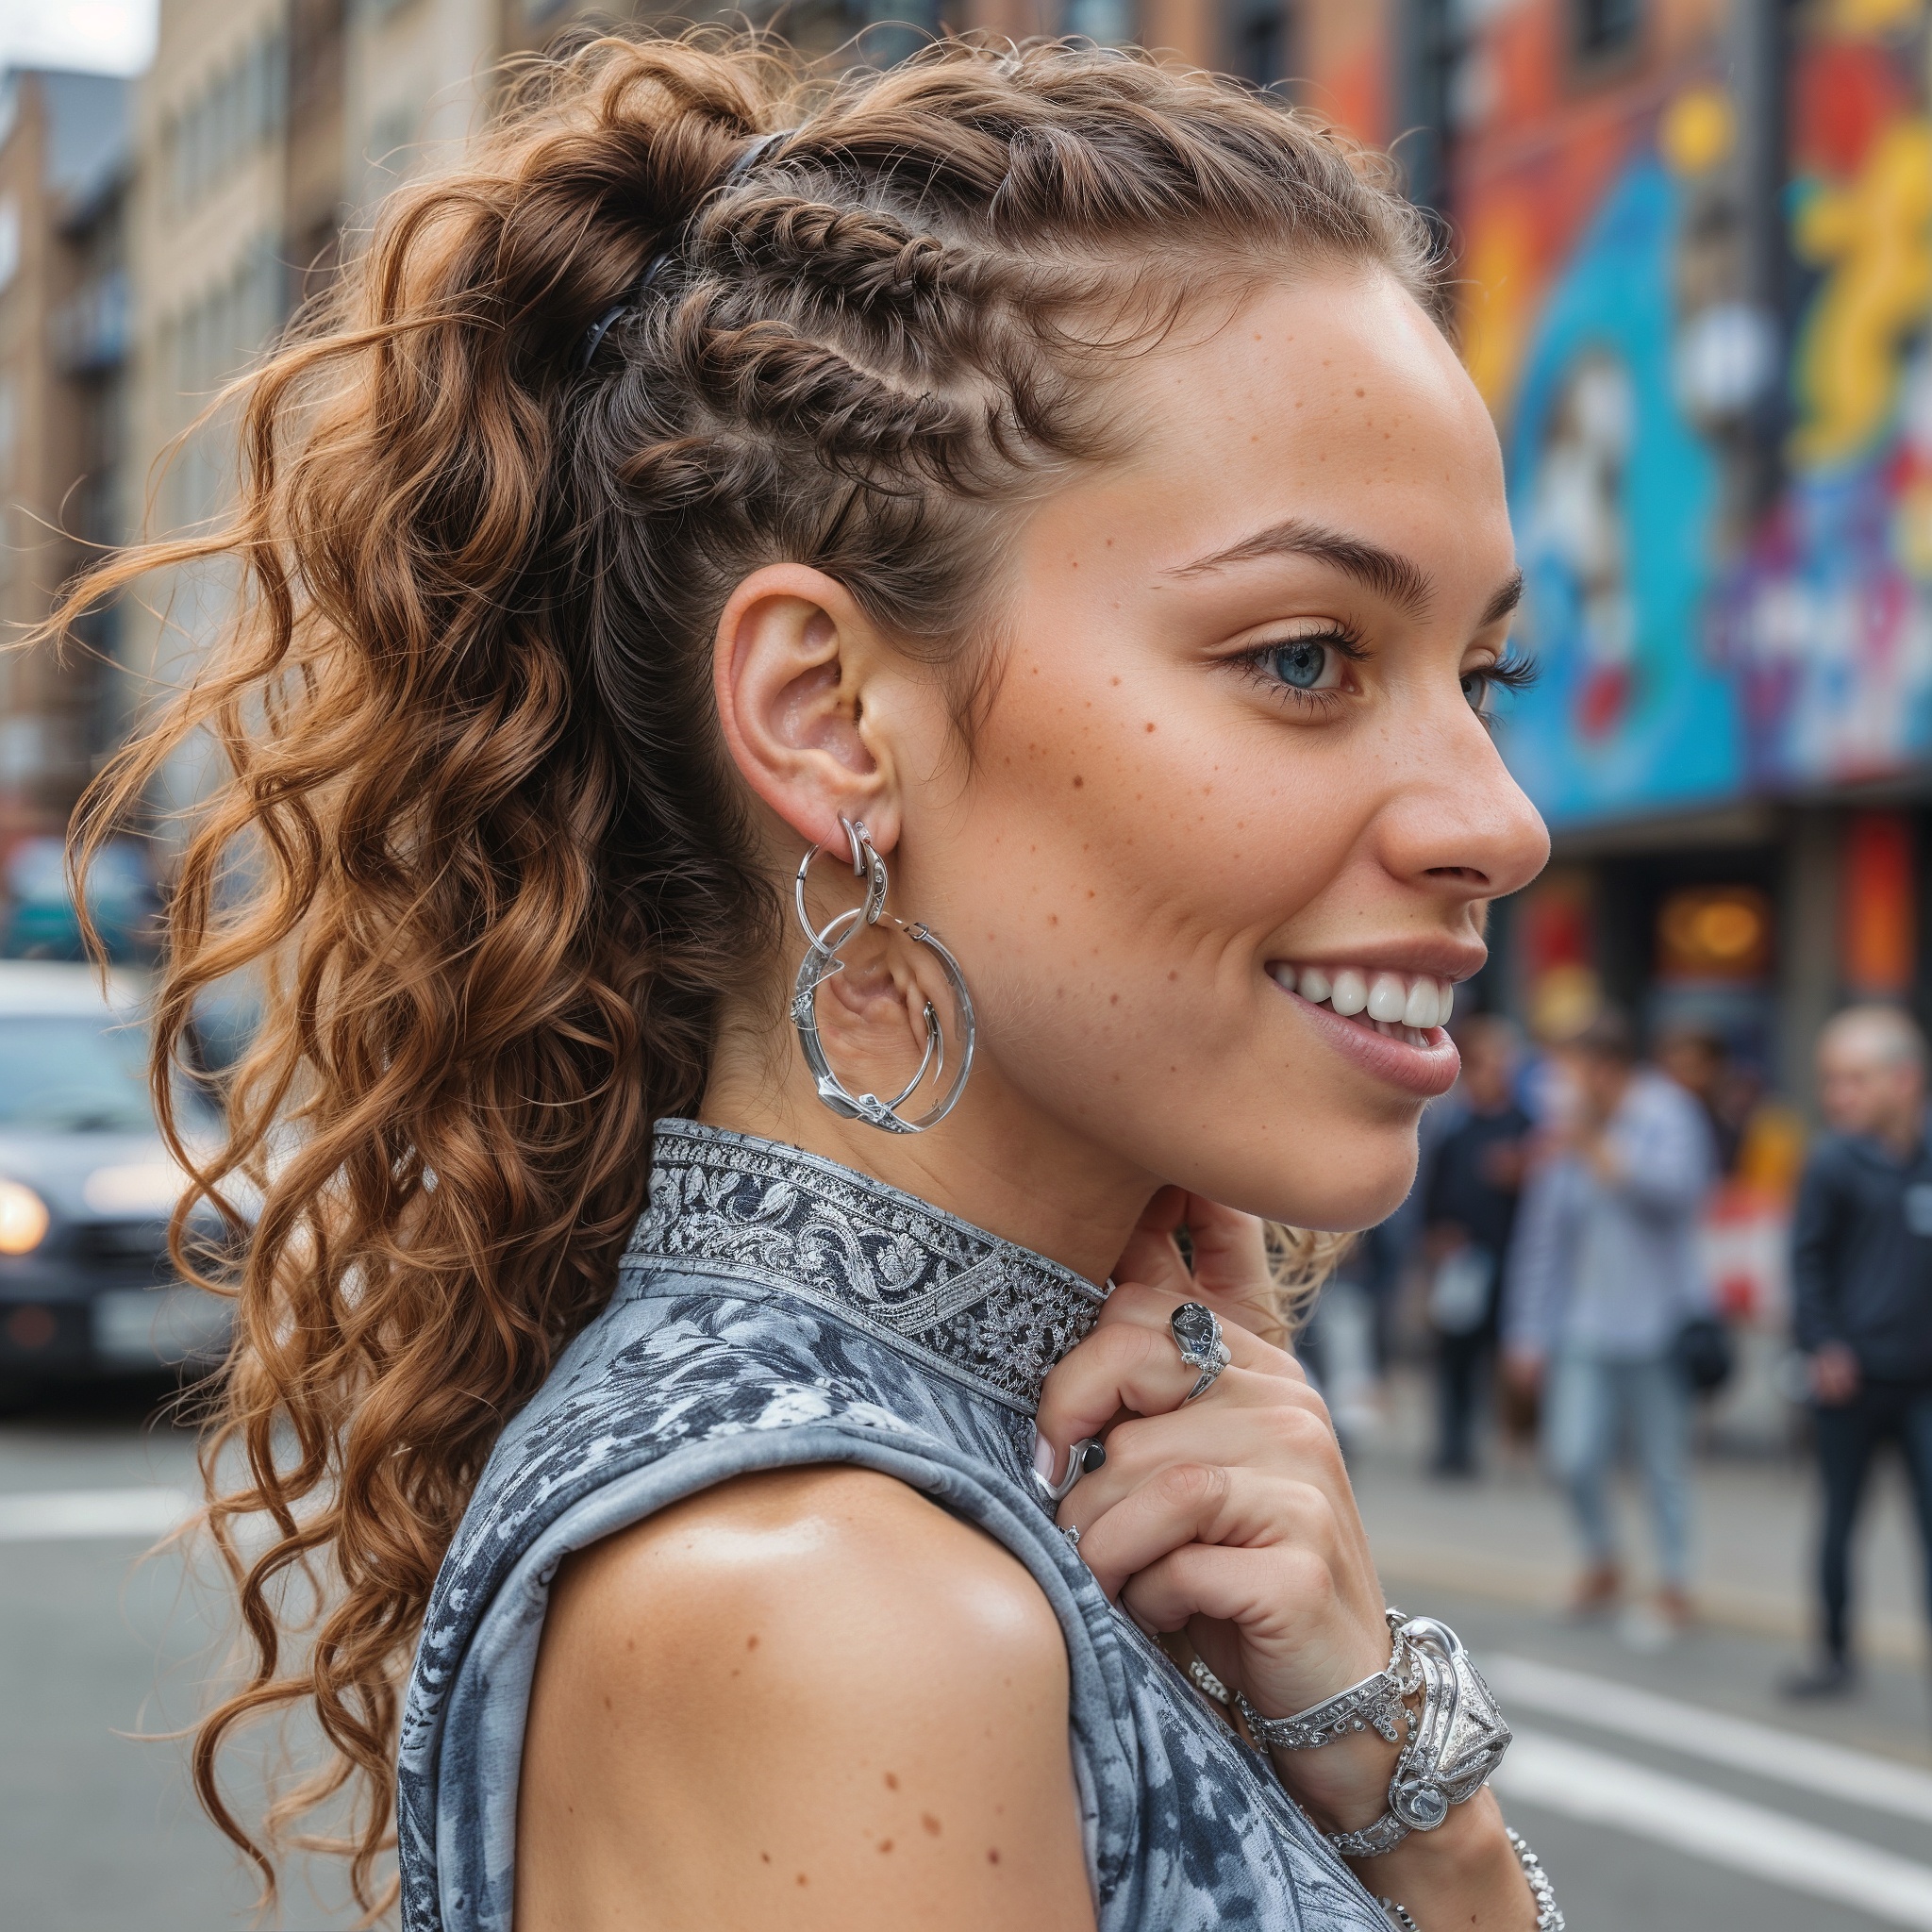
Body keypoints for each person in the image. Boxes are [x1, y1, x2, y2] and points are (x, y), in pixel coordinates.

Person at [58, 35, 1561, 1932]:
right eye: (1302, 657)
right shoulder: (833, 1605)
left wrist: (1404, 1788)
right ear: (829, 715)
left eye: (1478, 676)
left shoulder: (963, 1496)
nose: (1493, 820)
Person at [1505, 1009, 1716, 1631]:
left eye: (1569, 1072)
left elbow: (1678, 1193)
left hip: (1659, 1323)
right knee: (1571, 1455)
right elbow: (1541, 1239)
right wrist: (1526, 1331)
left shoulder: (1667, 1112)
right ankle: (1601, 1558)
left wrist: (1600, 1147)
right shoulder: (1564, 1134)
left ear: (1604, 1069)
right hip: (1583, 1325)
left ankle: (1675, 1582)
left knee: (1663, 1461)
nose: (1559, 1086)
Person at [1784, 1004, 1932, 1698]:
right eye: (1830, 1080)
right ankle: (1835, 1656)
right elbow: (1806, 1262)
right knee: (1841, 1519)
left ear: (1904, 1080)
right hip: (1851, 1379)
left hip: (1923, 1378)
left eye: (1855, 1080)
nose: (1838, 1095)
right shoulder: (1832, 1162)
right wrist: (1825, 1345)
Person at [1423, 1016, 1531, 1475]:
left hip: (1510, 1262)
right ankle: (1453, 1443)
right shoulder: (1457, 1127)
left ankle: (1514, 1437)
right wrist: (1437, 1235)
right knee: (1455, 1357)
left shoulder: (1527, 1127)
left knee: (1504, 1357)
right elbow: (1434, 1189)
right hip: (1463, 1262)